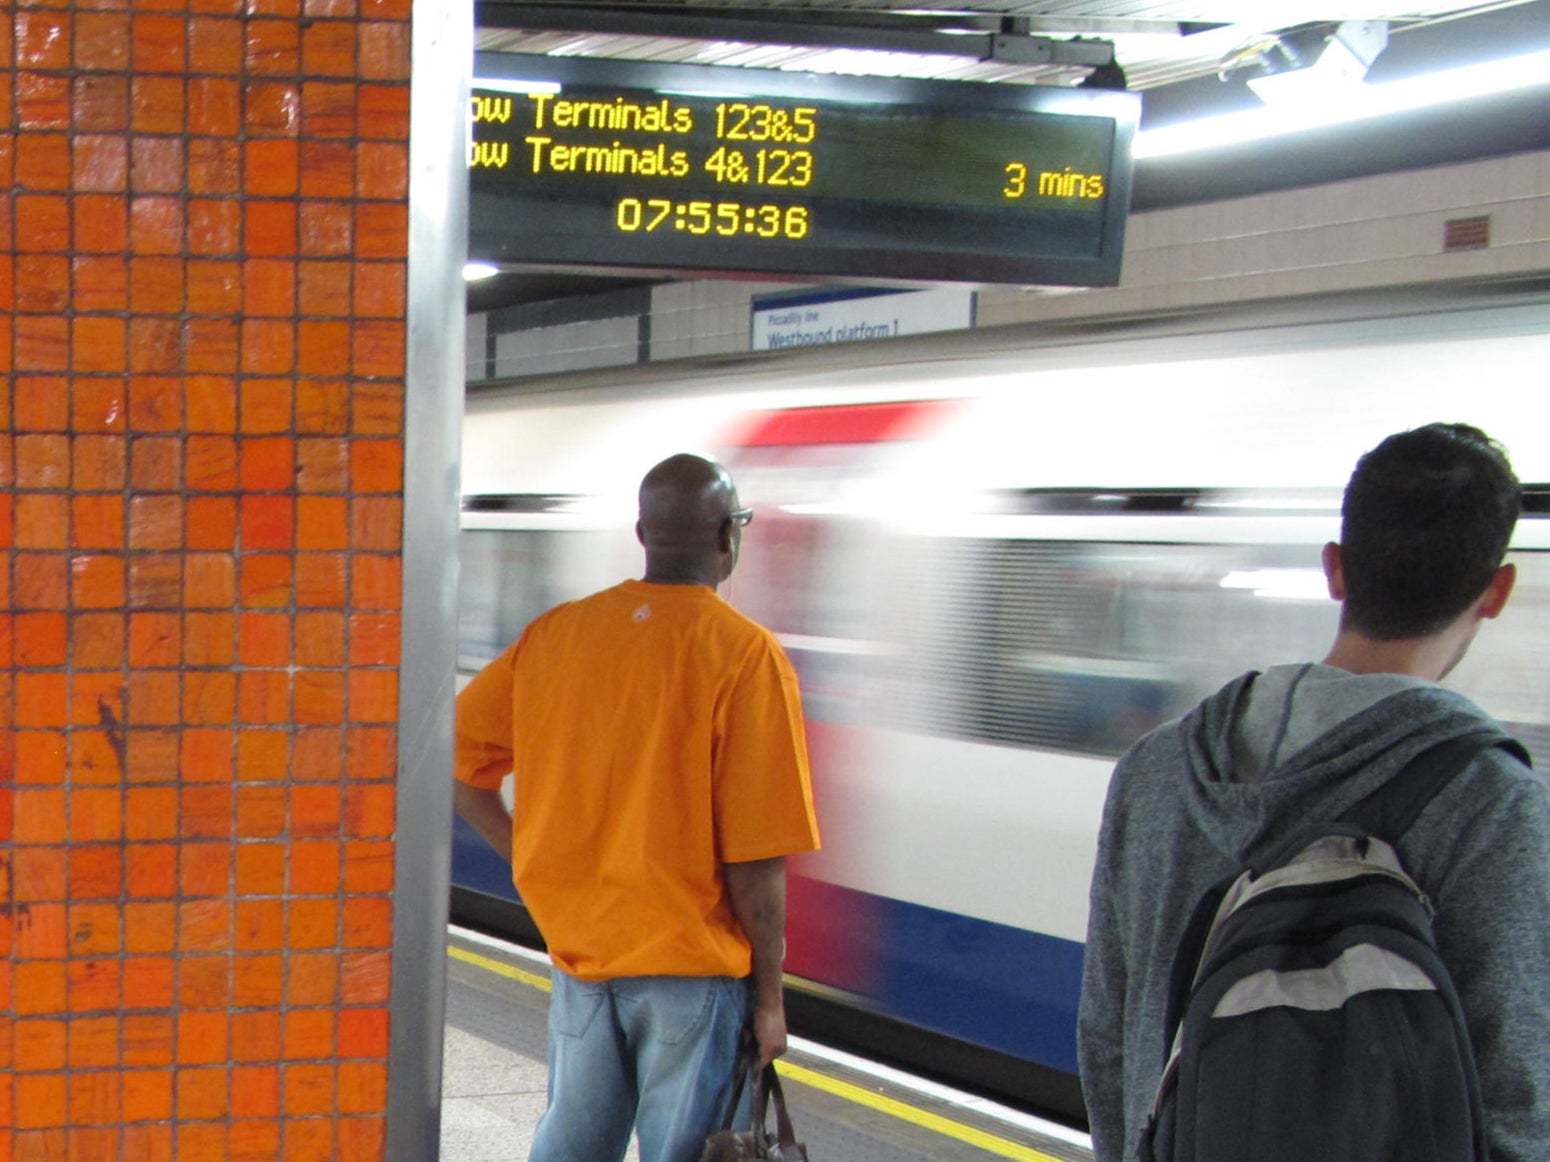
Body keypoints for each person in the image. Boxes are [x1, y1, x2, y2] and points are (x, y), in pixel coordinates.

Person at [1077, 423, 1550, 1161]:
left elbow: (1108, 1039)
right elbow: (1515, 1101)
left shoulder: (1157, 770)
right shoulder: (1492, 805)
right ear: (1497, 591)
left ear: (1337, 570)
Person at [453, 452, 821, 1162]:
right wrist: (771, 1001)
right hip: (692, 973)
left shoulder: (558, 635)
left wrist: (528, 850)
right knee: (685, 1151)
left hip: (583, 960)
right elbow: (755, 858)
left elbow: (460, 763)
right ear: (727, 537)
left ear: (642, 533)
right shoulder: (745, 656)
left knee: (570, 1145)